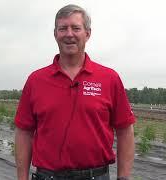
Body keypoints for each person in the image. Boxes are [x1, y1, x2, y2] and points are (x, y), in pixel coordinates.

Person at [14, 4, 135, 180]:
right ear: (55, 34)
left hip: (96, 176)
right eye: (63, 28)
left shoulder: (109, 78)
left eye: (76, 28)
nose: (69, 34)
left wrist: (123, 177)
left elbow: (125, 130)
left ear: (88, 33)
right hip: (48, 176)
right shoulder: (36, 80)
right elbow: (24, 133)